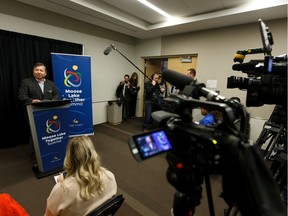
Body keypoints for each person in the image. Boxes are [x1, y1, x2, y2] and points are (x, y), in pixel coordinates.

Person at [44, 135, 117, 216]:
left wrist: (61, 185)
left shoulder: (61, 191)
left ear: (69, 158)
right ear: (93, 153)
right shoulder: (110, 176)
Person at [18, 62, 60, 166]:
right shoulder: (26, 82)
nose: (39, 72)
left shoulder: (51, 83)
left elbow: (56, 95)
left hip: (48, 113)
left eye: (41, 70)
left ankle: (48, 151)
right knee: (34, 134)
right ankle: (35, 156)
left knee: (48, 133)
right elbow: (21, 96)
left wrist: (52, 101)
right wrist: (32, 100)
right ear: (33, 71)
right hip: (33, 113)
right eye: (37, 70)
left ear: (45, 72)